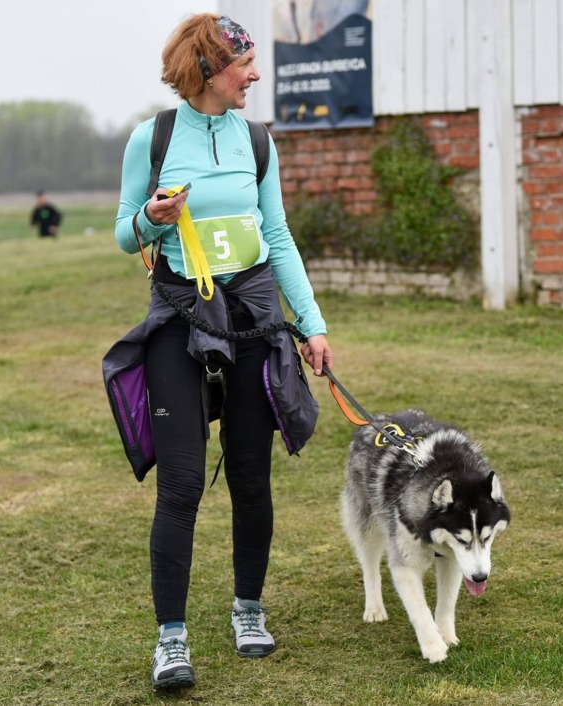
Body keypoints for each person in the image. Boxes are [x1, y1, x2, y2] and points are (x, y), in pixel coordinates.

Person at [111, 13, 333, 690]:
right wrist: (150, 218)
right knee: (180, 485)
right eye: (245, 66)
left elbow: (278, 235)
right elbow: (123, 234)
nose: (255, 76)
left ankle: (247, 609)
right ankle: (170, 641)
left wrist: (312, 322)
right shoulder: (151, 139)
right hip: (180, 322)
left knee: (249, 476)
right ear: (208, 68)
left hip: (254, 323)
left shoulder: (257, 141)